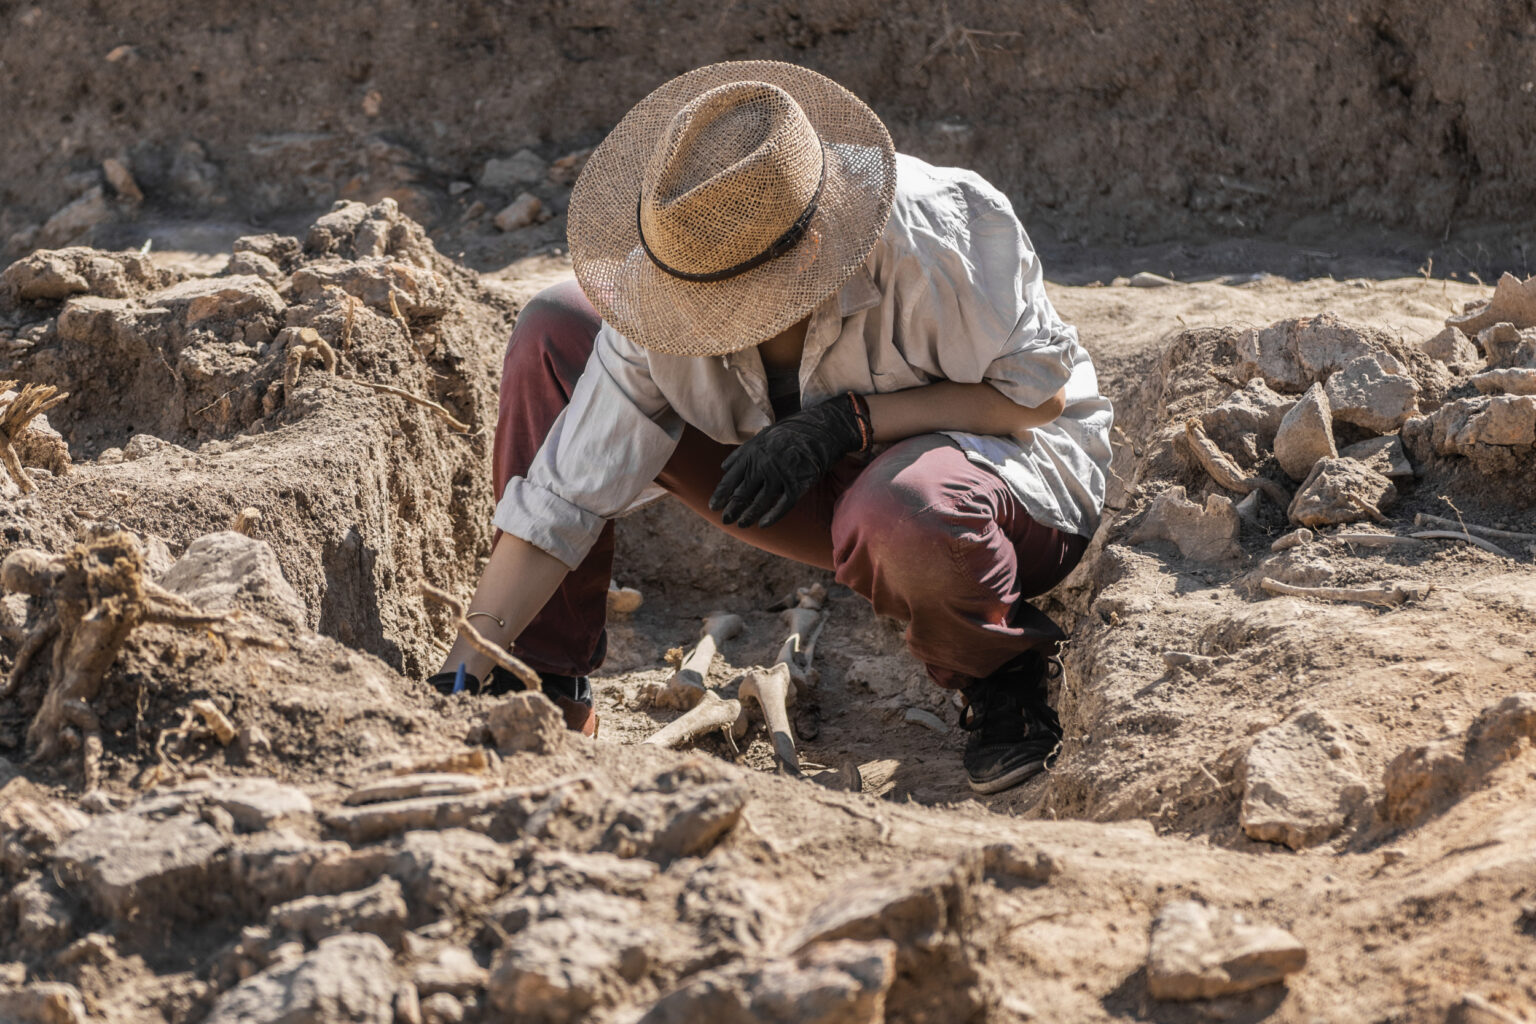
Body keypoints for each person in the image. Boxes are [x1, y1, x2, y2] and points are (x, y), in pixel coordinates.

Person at [430, 60, 1112, 794]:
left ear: (810, 252)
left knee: (904, 507)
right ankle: (537, 684)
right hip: (806, 489)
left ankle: (1000, 669)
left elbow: (1037, 399)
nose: (697, 325)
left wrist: (849, 423)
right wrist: (472, 660)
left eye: (730, 303)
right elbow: (565, 489)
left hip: (999, 487)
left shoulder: (942, 232)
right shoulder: (677, 266)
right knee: (558, 326)